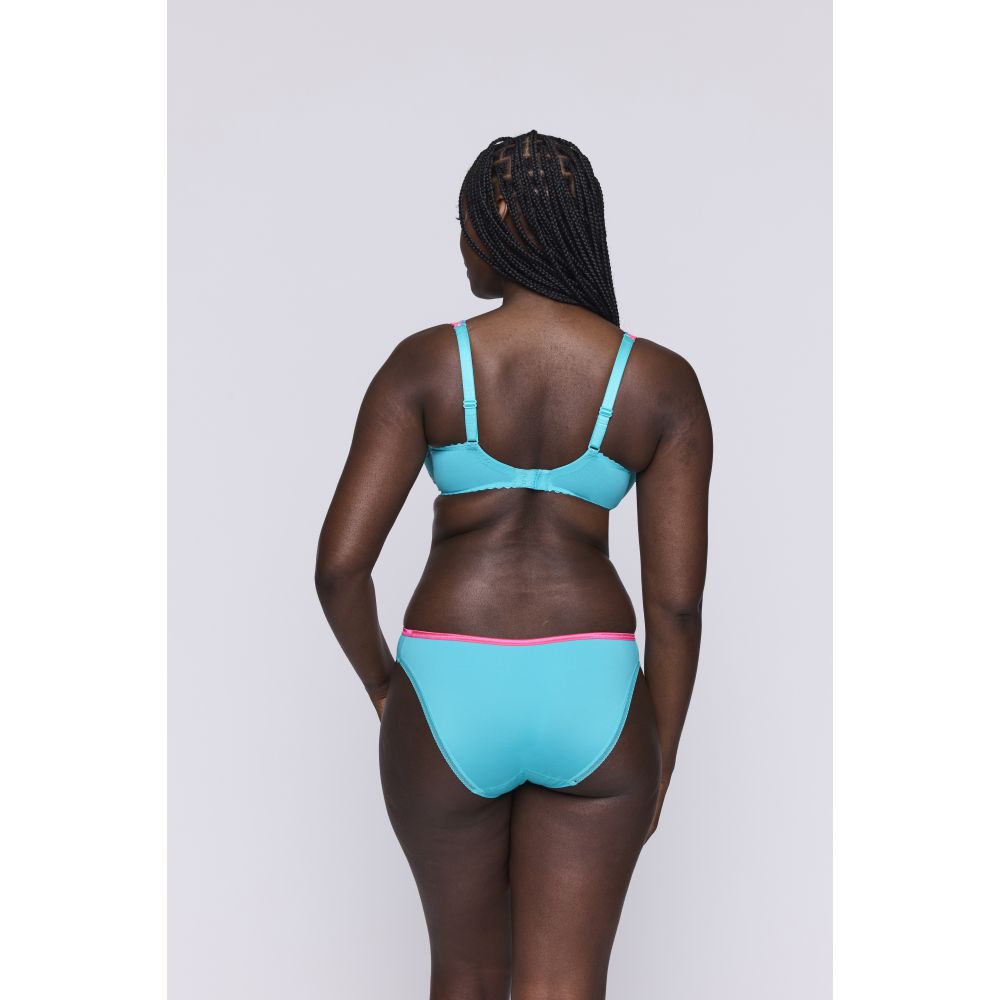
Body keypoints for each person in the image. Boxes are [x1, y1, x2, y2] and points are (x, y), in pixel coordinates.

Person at [315, 130, 713, 1000]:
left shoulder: (427, 363)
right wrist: (662, 752)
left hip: (445, 684)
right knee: (565, 986)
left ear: (500, 225)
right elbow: (677, 608)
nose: (460, 246)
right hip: (594, 693)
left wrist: (385, 687)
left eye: (463, 226)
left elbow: (340, 569)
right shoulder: (659, 382)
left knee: (465, 974)